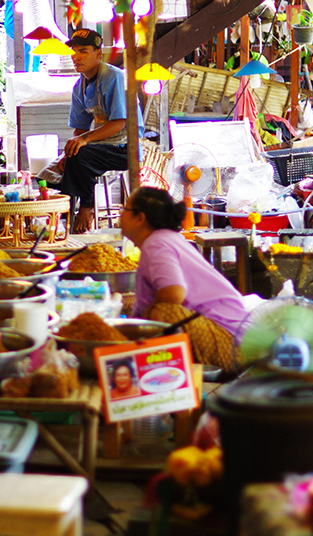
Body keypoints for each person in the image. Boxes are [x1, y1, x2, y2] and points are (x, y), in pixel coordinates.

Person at [119, 186, 249, 373]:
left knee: (162, 312)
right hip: (235, 336)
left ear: (140, 218)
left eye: (125, 209)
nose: (120, 214)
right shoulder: (164, 239)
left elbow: (174, 292)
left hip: (230, 343)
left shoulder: (157, 243)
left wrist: (145, 321)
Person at [53, 29, 143, 234]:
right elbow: (81, 128)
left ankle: (86, 208)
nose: (76, 57)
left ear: (98, 54)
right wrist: (68, 150)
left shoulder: (115, 78)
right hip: (102, 146)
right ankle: (61, 217)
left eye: (83, 51)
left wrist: (84, 140)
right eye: (74, 52)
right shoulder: (80, 86)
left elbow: (119, 123)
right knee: (61, 163)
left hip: (125, 149)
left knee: (81, 155)